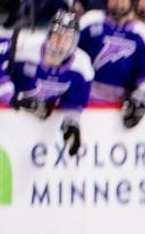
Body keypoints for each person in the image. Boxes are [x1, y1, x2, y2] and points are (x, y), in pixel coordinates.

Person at [77, 0, 145, 127]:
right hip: (85, 104)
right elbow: (72, 59)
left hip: (119, 109)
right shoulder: (90, 21)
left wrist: (144, 97)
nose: (119, 2)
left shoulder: (141, 34)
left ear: (131, 1)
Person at [7, 9, 90, 157]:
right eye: (56, 35)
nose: (59, 42)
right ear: (48, 35)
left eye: (66, 38)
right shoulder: (24, 48)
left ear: (74, 42)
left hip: (37, 135)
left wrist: (71, 121)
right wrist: (14, 98)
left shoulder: (82, 66)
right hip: (4, 121)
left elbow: (75, 101)